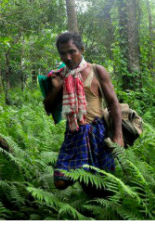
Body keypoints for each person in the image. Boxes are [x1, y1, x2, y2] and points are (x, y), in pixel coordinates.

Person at [43, 32, 122, 195]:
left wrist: (118, 135)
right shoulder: (58, 75)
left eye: (72, 51)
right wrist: (58, 88)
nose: (68, 57)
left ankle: (101, 212)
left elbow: (113, 103)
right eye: (63, 53)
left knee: (102, 181)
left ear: (82, 49)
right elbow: (48, 108)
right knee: (60, 181)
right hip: (74, 133)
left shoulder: (97, 71)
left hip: (96, 132)